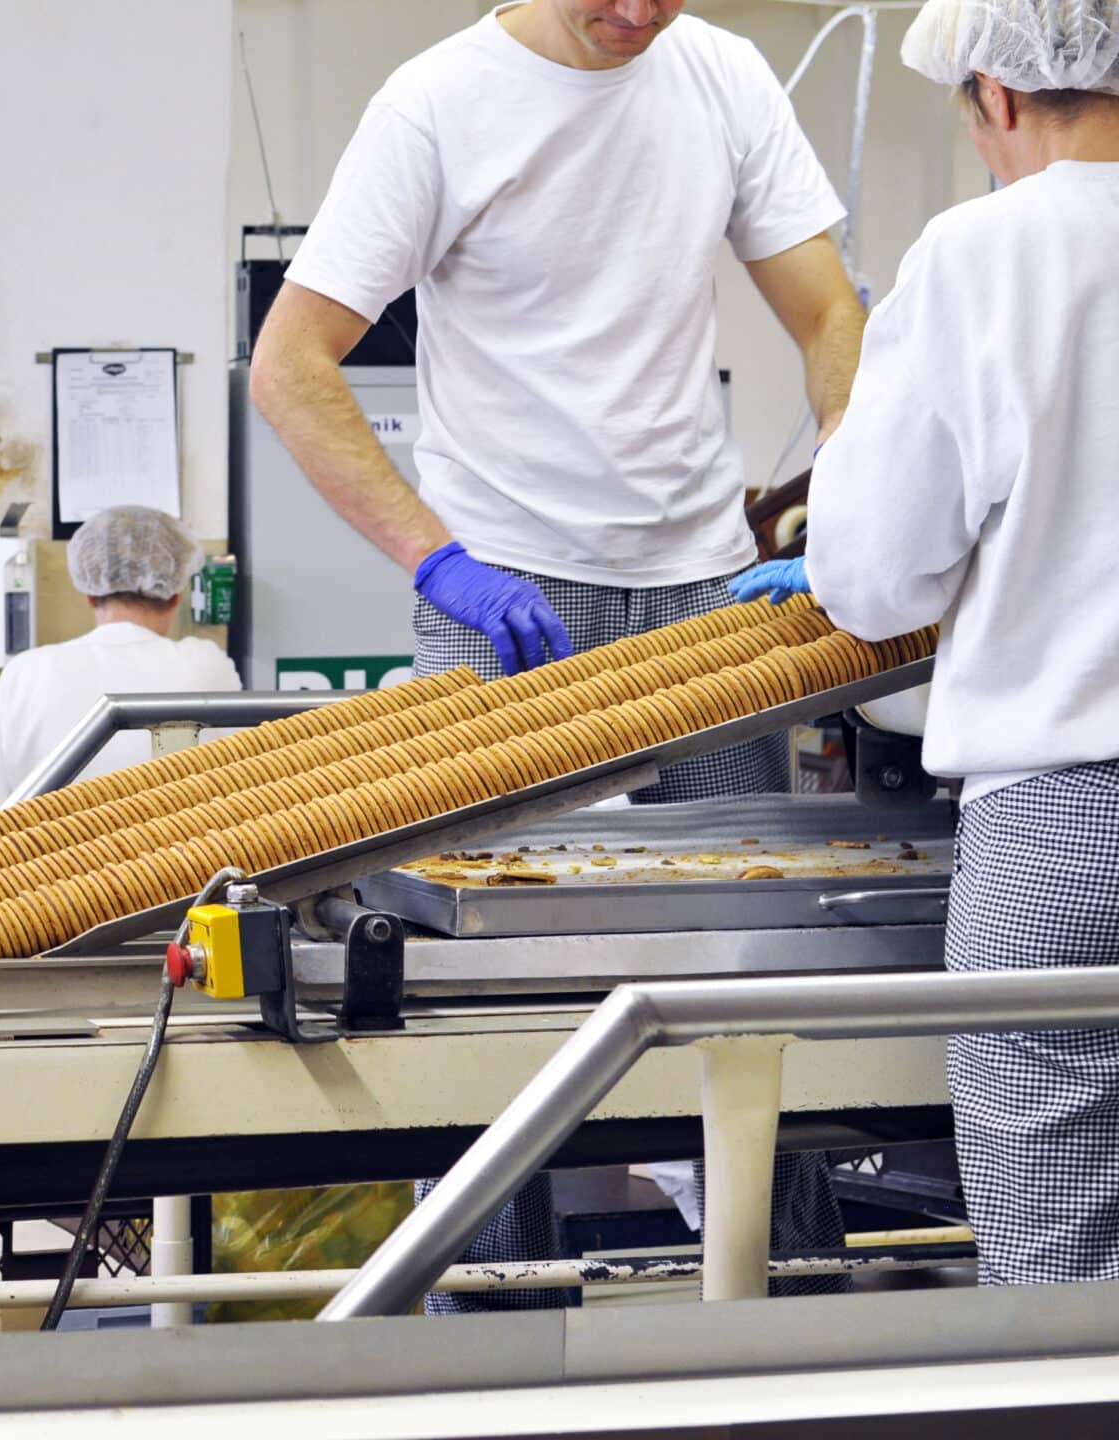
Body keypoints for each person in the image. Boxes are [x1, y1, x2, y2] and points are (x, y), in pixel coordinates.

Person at [249, 0, 869, 1311]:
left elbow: (828, 315)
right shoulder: (436, 104)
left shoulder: (724, 77)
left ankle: (796, 1311)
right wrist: (438, 559)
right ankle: (491, 1323)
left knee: (752, 951)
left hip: (704, 590)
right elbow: (291, 365)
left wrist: (851, 508)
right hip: (502, 596)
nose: (639, 14)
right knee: (482, 980)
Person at [730, 0, 1119, 1286]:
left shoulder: (987, 254)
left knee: (1058, 1278)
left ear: (995, 96)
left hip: (1067, 830)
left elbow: (877, 573)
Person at [0, 506, 239, 823]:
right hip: (179, 866)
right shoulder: (206, 665)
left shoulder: (27, 672)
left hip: (51, 868)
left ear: (89, 593)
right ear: (175, 594)